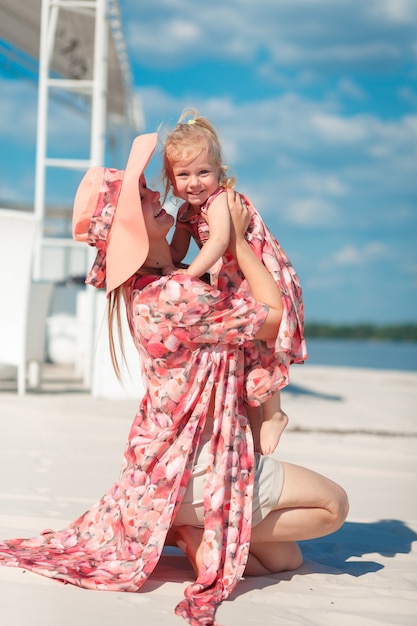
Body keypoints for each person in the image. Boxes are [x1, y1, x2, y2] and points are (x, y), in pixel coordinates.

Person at [0, 133, 348, 626]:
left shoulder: (159, 286)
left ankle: (190, 530)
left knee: (284, 558)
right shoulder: (177, 294)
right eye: (142, 200)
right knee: (334, 507)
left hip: (165, 469)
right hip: (201, 464)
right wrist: (238, 241)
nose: (156, 197)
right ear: (131, 230)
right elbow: (273, 317)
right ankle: (192, 521)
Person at [162, 109, 307, 456]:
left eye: (203, 172)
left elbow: (218, 242)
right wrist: (164, 267)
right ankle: (257, 425)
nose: (194, 182)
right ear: (171, 180)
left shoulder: (220, 202)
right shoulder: (187, 212)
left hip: (260, 275)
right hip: (232, 280)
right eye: (183, 175)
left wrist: (187, 276)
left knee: (262, 346)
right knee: (246, 347)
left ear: (219, 172)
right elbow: (177, 250)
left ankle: (274, 414)